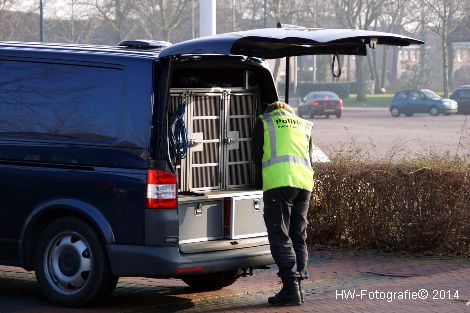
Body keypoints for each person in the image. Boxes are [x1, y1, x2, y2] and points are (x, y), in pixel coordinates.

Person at [252, 101, 314, 306]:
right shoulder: (303, 124)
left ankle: (290, 289)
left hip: (279, 182)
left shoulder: (265, 121)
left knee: (280, 234)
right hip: (304, 183)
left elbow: (256, 157)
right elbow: (309, 157)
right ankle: (298, 288)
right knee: (299, 235)